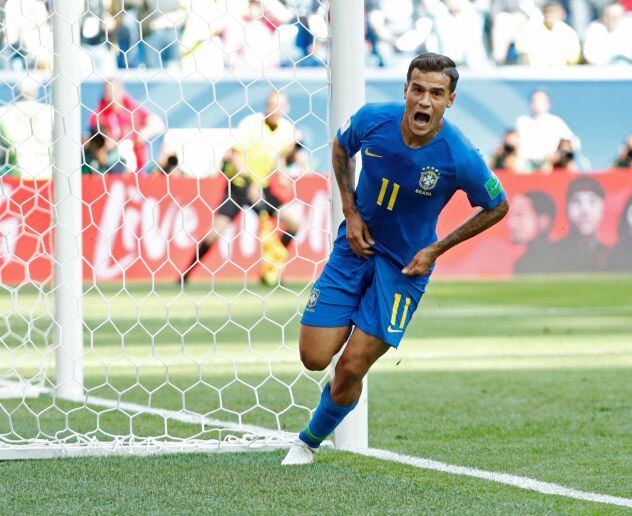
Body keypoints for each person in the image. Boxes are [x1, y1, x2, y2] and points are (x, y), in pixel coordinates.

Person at [282, 53, 509, 465]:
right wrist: (349, 212)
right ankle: (334, 391)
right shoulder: (374, 120)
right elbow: (339, 147)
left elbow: (497, 205)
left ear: (450, 101)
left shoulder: (459, 155)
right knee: (314, 358)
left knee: (351, 366)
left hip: (404, 268)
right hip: (354, 248)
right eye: (418, 90)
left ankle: (308, 441)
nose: (424, 101)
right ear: (406, 90)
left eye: (436, 94)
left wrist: (436, 249)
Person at [179, 91, 304, 287]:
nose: (275, 109)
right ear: (266, 106)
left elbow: (281, 157)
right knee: (214, 234)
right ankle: (185, 274)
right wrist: (249, 181)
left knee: (294, 223)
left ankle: (274, 268)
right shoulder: (252, 125)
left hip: (262, 187)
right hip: (238, 186)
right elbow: (234, 156)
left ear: (286, 108)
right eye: (272, 104)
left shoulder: (287, 130)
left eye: (280, 105)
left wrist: (285, 173)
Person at [89, 80, 165, 173]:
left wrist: (138, 136)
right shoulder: (98, 115)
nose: (111, 94)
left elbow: (158, 124)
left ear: (121, 91)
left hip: (137, 167)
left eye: (114, 91)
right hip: (110, 167)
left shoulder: (133, 110)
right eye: (108, 91)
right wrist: (109, 145)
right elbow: (95, 143)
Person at [547, 176, 608, 273]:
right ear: (566, 208)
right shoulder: (549, 253)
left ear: (603, 207)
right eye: (576, 202)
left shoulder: (613, 254)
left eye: (592, 202)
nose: (585, 211)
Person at [515, 89, 580, 172]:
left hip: (550, 165)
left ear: (548, 104)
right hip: (525, 165)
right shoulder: (522, 121)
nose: (537, 103)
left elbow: (574, 142)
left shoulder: (556, 122)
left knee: (570, 162)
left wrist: (558, 154)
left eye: (541, 100)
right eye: (534, 100)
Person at [0, 77, 53, 180]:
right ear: (35, 92)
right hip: (48, 176)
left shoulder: (3, 113)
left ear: (15, 92)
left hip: (17, 176)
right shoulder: (50, 111)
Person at [515, 2, 581, 66]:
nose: (550, 15)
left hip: (561, 73)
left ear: (562, 14)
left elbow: (573, 60)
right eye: (547, 12)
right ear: (543, 13)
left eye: (554, 12)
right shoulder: (529, 29)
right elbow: (524, 57)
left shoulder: (569, 33)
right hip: (534, 73)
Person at [509, 191, 559, 274]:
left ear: (543, 221)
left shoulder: (562, 256)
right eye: (511, 215)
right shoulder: (522, 263)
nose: (511, 223)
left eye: (519, 215)